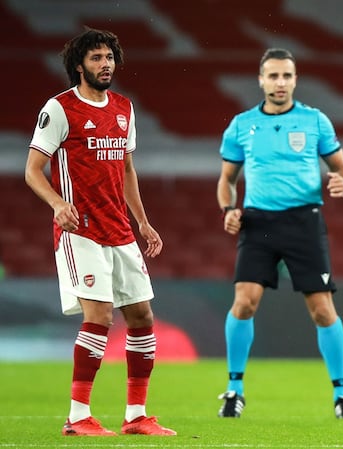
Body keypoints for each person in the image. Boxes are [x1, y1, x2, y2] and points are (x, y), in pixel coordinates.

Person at [24, 28, 176, 436]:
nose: (105, 64)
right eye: (96, 58)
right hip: (81, 231)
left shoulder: (125, 107)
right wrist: (58, 204)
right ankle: (77, 417)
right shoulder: (59, 109)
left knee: (143, 316)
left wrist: (142, 222)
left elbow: (126, 169)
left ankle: (136, 416)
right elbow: (32, 170)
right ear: (79, 65)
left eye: (109, 57)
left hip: (120, 230)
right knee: (100, 316)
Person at [216, 48, 343, 420]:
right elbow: (226, 181)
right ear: (261, 80)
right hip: (258, 222)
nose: (280, 83)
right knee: (245, 302)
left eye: (287, 76)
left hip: (304, 222)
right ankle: (234, 390)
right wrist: (228, 209)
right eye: (273, 76)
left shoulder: (315, 121)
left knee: (322, 310)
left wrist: (342, 183)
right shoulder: (241, 125)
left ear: (295, 80)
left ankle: (342, 396)